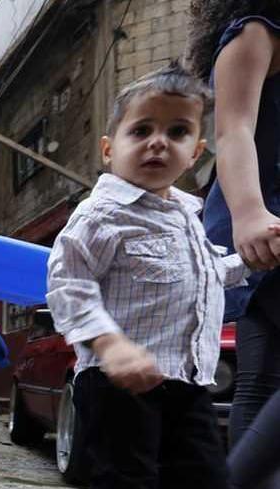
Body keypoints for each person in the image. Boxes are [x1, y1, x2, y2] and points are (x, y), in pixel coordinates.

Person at [46, 64, 251, 489]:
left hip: (187, 384)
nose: (158, 142)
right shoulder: (102, 214)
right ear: (109, 148)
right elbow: (69, 283)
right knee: (124, 480)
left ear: (195, 151)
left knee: (207, 477)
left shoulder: (188, 215)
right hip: (116, 385)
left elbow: (207, 276)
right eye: (141, 131)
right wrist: (110, 344)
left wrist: (250, 259)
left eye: (177, 132)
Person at [187, 2, 280, 487]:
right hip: (267, 226)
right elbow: (234, 128)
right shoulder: (258, 31)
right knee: (260, 384)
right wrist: (248, 212)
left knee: (261, 383)